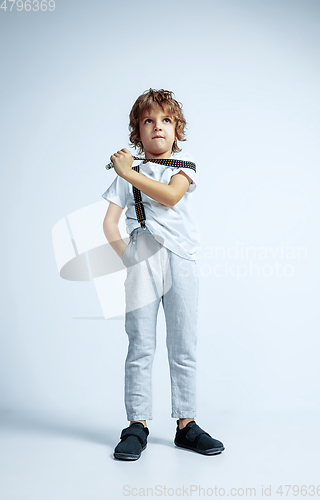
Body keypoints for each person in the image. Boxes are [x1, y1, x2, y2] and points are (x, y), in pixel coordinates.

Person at [102, 88, 225, 460]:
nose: (157, 127)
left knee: (182, 343)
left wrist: (128, 171)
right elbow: (109, 224)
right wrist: (131, 257)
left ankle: (186, 425)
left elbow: (170, 196)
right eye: (148, 121)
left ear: (177, 130)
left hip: (181, 258)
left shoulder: (184, 164)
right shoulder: (126, 174)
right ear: (136, 133)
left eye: (166, 121)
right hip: (143, 257)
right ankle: (136, 425)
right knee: (140, 343)